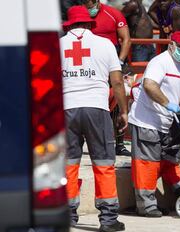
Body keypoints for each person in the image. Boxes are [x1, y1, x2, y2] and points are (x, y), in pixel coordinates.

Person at [61, 6, 127, 231]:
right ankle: (108, 220)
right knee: (104, 163)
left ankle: (67, 216)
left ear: (69, 25)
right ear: (89, 24)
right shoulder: (105, 44)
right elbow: (117, 82)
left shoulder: (57, 46)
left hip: (66, 109)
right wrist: (124, 111)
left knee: (68, 164)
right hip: (97, 108)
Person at [128, 31, 180, 217]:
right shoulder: (159, 62)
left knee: (166, 162)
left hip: (164, 124)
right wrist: (168, 104)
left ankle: (179, 195)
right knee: (146, 165)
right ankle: (146, 207)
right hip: (146, 121)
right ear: (171, 44)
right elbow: (150, 85)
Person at [82, 0, 132, 156]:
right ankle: (89, 140)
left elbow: (126, 40)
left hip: (113, 61)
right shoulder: (80, 15)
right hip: (89, 62)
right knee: (91, 100)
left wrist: (120, 61)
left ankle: (120, 143)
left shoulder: (113, 13)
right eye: (84, 3)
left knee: (117, 99)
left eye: (89, 3)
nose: (87, 7)